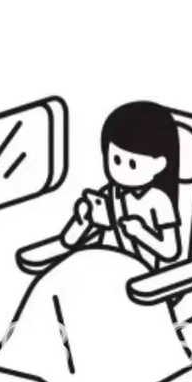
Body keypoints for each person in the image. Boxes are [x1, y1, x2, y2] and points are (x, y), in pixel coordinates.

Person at [61, 99, 182, 271]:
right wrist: (82, 220)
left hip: (137, 275)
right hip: (101, 265)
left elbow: (171, 251)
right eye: (116, 160)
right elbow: (69, 241)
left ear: (159, 164)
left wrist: (140, 232)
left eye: (132, 164)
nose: (122, 169)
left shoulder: (159, 200)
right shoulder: (107, 195)